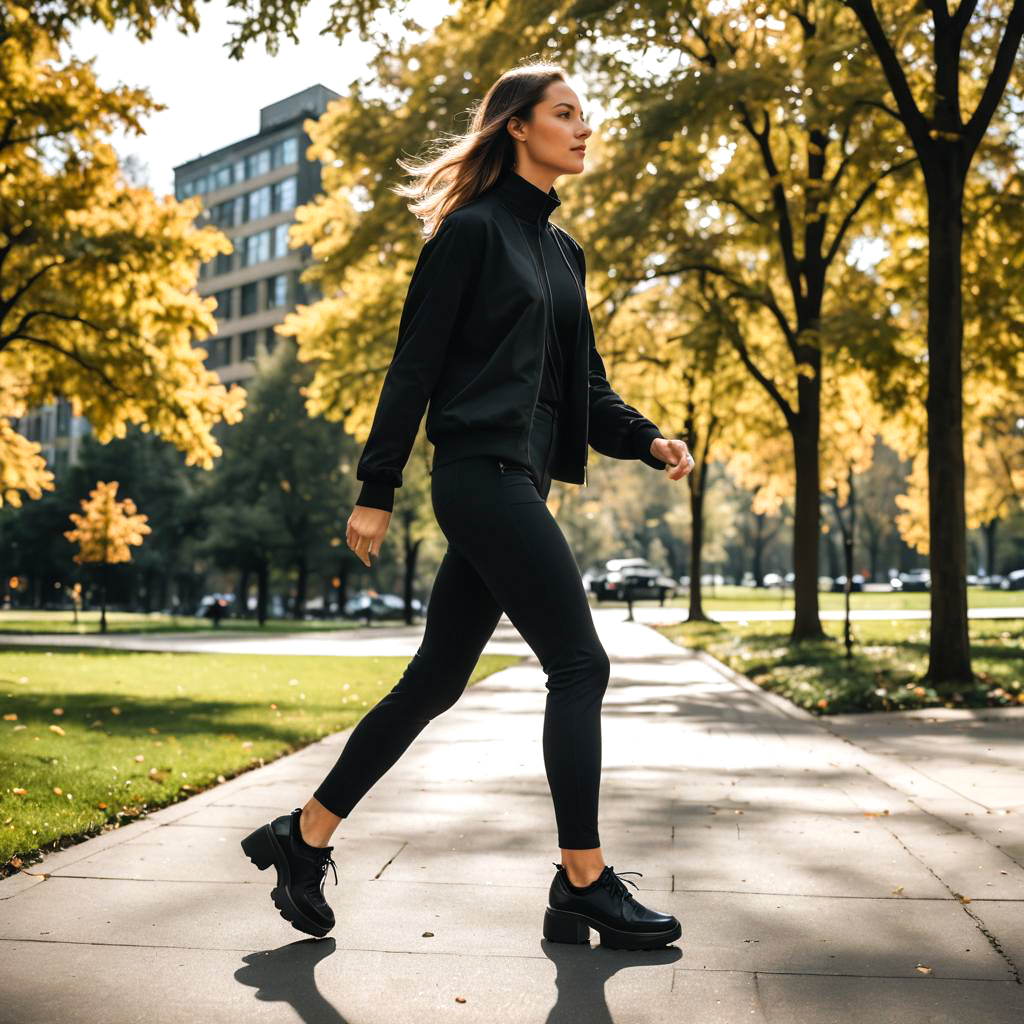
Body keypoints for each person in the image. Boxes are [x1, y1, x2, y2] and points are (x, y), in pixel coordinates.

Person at [241, 61, 695, 950]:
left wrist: (646, 438)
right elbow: (413, 365)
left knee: (436, 678)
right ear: (518, 126)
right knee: (580, 663)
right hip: (476, 475)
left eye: (584, 113)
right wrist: (378, 488)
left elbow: (585, 389)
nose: (583, 125)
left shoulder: (565, 254)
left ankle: (304, 834)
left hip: (515, 483)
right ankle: (584, 882)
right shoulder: (470, 233)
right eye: (565, 112)